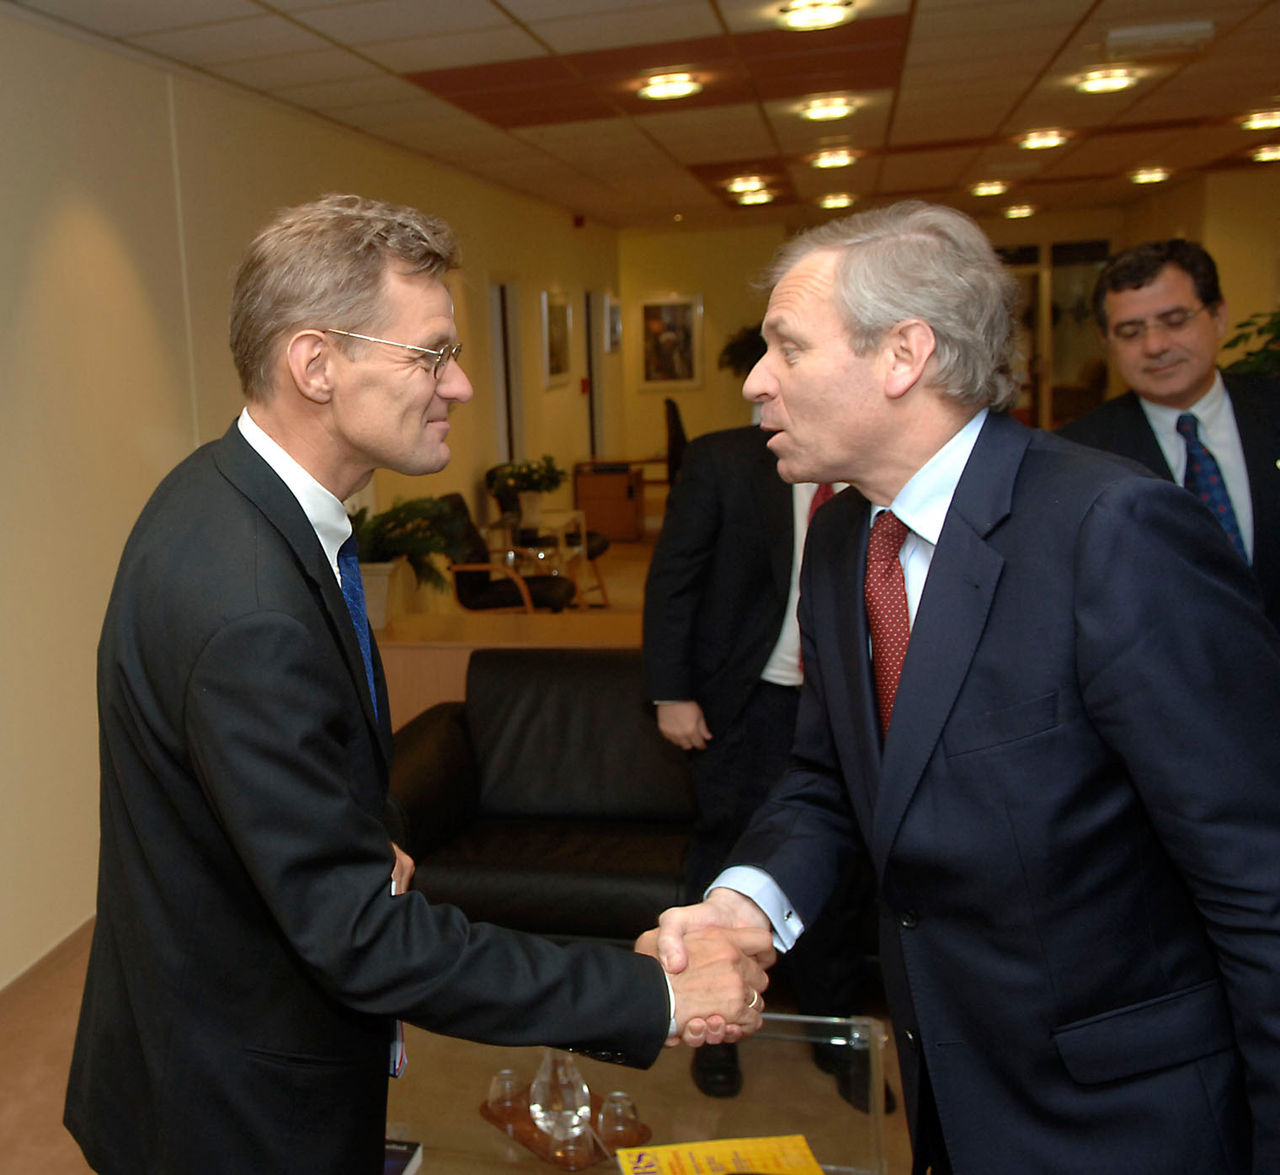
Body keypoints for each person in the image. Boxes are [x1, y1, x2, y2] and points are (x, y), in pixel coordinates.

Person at [64, 194, 772, 1175]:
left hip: (195, 1035)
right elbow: (357, 937)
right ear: (316, 365)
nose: (462, 385)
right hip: (235, 1103)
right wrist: (649, 993)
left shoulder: (216, 490)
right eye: (431, 355)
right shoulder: (251, 602)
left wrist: (356, 830)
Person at [645, 200, 1280, 1174]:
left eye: (787, 347)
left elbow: (1255, 881)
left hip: (1129, 1115)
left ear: (903, 355)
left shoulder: (1112, 530)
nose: (755, 380)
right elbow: (830, 776)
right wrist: (747, 903)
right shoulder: (845, 539)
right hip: (954, 1089)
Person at [643, 425, 872, 1100]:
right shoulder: (724, 461)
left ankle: (835, 1030)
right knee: (725, 853)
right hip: (745, 700)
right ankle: (713, 1031)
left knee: (838, 870)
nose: (764, 385)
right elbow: (675, 576)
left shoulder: (870, 455)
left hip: (845, 703)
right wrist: (671, 691)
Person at [1058, 238, 1280, 628]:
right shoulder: (1077, 455)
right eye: (1130, 332)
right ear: (1107, 342)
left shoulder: (1271, 409)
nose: (1155, 345)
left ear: (1218, 316)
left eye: (1175, 321)